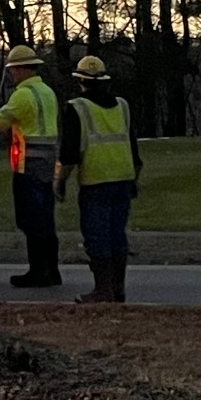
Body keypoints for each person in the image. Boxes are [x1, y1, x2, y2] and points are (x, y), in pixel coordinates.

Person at [58, 54, 141, 304]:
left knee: (97, 237)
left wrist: (60, 181)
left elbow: (70, 154)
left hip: (96, 181)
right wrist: (135, 179)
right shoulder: (122, 106)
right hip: (123, 178)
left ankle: (102, 290)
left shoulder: (77, 108)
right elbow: (133, 147)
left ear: (79, 81)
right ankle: (118, 289)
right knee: (117, 234)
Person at [0, 43, 61, 287]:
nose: (13, 75)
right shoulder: (47, 92)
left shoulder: (24, 94)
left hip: (28, 165)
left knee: (30, 220)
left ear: (22, 69)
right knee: (46, 218)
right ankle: (51, 270)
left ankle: (39, 272)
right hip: (47, 163)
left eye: (14, 70)